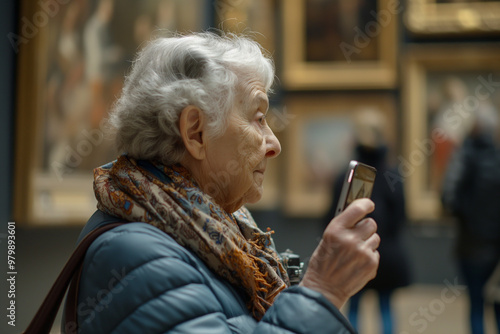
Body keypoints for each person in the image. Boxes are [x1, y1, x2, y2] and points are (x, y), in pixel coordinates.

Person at [65, 32, 380, 333]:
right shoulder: (136, 255)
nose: (274, 144)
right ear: (195, 132)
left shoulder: (216, 231)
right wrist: (322, 290)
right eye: (258, 118)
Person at [324, 109, 411, 334]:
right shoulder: (392, 173)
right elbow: (401, 217)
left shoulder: (347, 174)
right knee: (385, 307)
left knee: (353, 306)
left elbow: (332, 216)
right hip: (386, 251)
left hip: (353, 250)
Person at [442, 103, 500, 334]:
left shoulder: (463, 156)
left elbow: (448, 197)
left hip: (471, 245)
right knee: (497, 303)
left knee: (476, 304)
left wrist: (467, 217)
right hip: (496, 246)